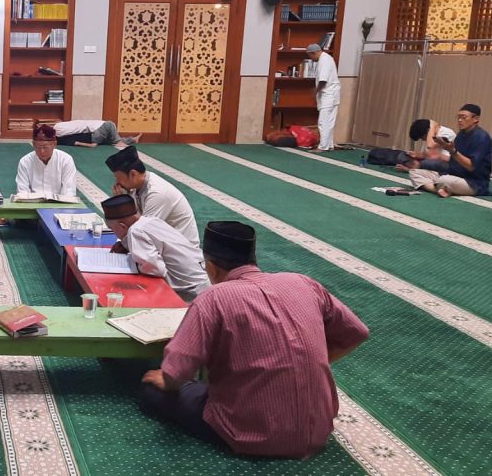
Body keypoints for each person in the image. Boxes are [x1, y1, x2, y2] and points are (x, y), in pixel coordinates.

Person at [139, 221, 369, 458]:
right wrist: (309, 361)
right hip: (318, 429)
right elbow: (357, 332)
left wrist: (165, 380)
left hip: (251, 433)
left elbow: (177, 371)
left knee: (152, 391)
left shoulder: (213, 298)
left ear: (211, 267)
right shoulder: (303, 283)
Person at [102, 195, 209, 301]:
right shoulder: (151, 220)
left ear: (122, 226)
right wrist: (127, 245)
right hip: (204, 279)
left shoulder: (136, 231)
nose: (114, 233)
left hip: (191, 293)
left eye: (112, 229)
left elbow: (155, 269)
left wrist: (134, 265)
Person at [106, 146, 199, 247]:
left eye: (118, 178)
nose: (117, 183)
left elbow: (144, 233)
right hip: (165, 243)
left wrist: (122, 204)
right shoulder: (135, 187)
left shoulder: (157, 193)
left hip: (183, 250)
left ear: (133, 174)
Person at [409, 104, 492, 197]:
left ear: (475, 119)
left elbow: (471, 167)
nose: (460, 120)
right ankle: (440, 190)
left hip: (473, 183)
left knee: (444, 180)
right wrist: (443, 153)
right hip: (453, 175)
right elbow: (453, 160)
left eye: (464, 117)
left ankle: (442, 187)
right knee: (414, 172)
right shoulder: (461, 134)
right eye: (458, 117)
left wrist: (452, 151)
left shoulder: (482, 138)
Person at [15, 124, 77, 196]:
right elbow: (22, 190)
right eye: (38, 147)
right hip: (33, 201)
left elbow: (69, 190)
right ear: (33, 144)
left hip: (58, 201)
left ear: (54, 144)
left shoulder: (65, 160)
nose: (42, 151)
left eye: (45, 147)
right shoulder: (25, 161)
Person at [306, 44, 340, 153]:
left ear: (314, 53)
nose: (311, 59)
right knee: (329, 121)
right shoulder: (327, 58)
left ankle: (322, 147)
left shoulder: (324, 61)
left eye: (310, 56)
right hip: (333, 94)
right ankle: (329, 145)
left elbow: (323, 80)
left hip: (328, 95)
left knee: (323, 121)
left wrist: (316, 91)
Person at [39, 120, 140, 148]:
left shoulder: (58, 133)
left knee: (109, 140)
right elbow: (74, 142)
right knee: (109, 124)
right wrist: (90, 145)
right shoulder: (58, 138)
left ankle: (132, 140)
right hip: (92, 137)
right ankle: (119, 142)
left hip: (92, 137)